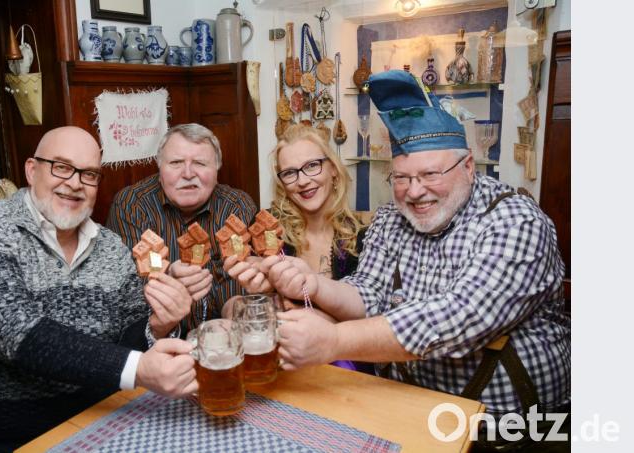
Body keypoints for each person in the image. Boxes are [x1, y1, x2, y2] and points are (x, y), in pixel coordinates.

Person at [260, 71, 570, 445]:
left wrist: (333, 341)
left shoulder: (515, 221)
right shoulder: (392, 218)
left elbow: (459, 317)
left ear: (468, 166)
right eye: (402, 178)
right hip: (409, 409)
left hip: (505, 428)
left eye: (429, 174)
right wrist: (316, 284)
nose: (414, 192)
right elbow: (367, 293)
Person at [0, 126, 197, 452]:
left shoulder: (112, 247)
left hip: (99, 421)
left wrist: (157, 326)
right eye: (61, 167)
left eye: (88, 174)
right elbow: (15, 334)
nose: (74, 183)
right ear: (32, 170)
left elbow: (129, 340)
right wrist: (138, 369)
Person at [222, 124, 372, 373]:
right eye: (290, 173)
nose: (303, 181)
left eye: (312, 166)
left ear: (333, 169)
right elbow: (246, 312)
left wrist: (303, 313)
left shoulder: (363, 238)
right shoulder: (267, 232)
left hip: (348, 369)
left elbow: (370, 318)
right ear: (282, 183)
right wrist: (254, 289)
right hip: (283, 367)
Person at [106, 123, 258, 332]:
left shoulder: (237, 206)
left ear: (216, 170)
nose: (188, 173)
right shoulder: (132, 205)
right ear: (160, 169)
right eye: (176, 162)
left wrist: (233, 322)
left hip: (223, 335)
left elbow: (236, 281)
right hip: (158, 340)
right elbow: (128, 291)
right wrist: (169, 282)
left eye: (200, 163)